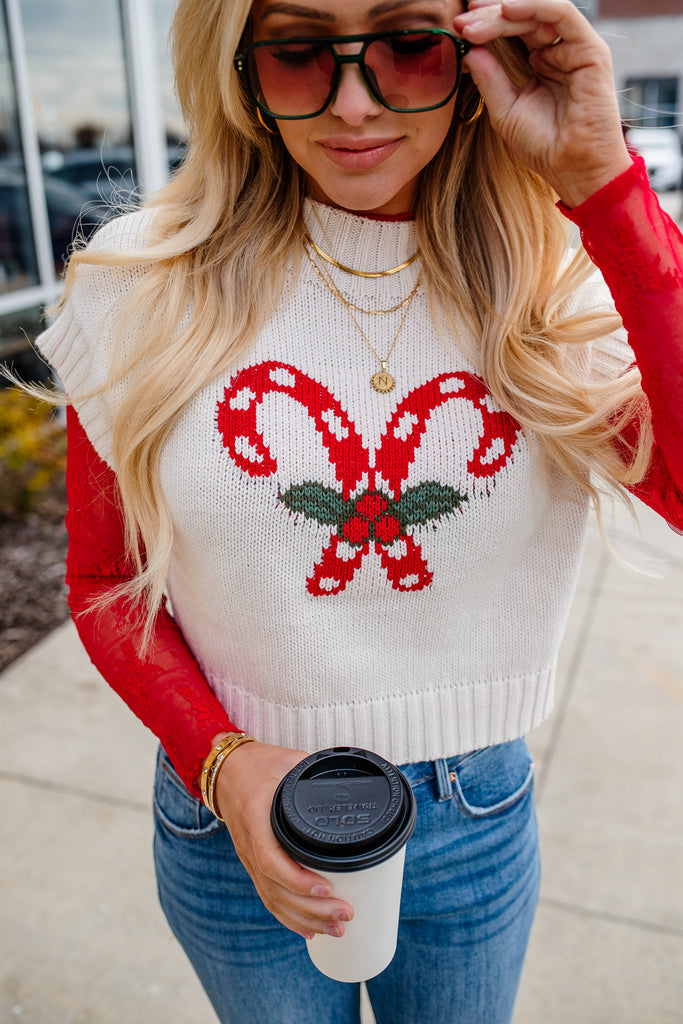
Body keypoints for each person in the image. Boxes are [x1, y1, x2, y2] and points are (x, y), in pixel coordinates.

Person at [31, 0, 682, 1022]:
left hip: (472, 818)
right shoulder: (139, 281)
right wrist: (224, 763)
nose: (351, 102)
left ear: (476, 50)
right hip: (231, 818)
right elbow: (107, 579)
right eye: (297, 52)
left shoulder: (555, 277)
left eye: (407, 45)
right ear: (239, 64)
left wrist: (603, 184)